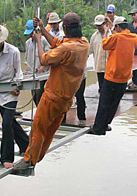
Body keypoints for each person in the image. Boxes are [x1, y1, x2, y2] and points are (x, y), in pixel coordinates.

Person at [12, 12, 89, 169]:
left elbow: (44, 59)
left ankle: (28, 160)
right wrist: (42, 27)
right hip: (67, 99)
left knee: (38, 127)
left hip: (53, 95)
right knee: (50, 129)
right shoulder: (83, 43)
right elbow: (57, 42)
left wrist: (39, 40)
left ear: (65, 29)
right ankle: (36, 157)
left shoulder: (66, 49)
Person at [0, 24, 29, 168]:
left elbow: (18, 72)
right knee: (10, 122)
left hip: (10, 92)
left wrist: (16, 86)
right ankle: (27, 145)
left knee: (6, 123)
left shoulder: (13, 51)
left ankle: (6, 157)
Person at [90, 16, 137, 135]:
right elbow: (119, 38)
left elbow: (105, 45)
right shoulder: (134, 37)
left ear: (118, 27)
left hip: (112, 76)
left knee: (104, 102)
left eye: (115, 28)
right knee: (114, 104)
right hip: (124, 78)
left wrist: (106, 32)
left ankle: (98, 128)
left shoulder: (115, 37)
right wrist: (112, 25)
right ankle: (105, 124)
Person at [24, 19, 50, 105]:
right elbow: (27, 59)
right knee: (34, 96)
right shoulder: (28, 43)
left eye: (32, 33)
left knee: (41, 96)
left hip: (42, 75)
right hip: (32, 75)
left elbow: (48, 58)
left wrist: (41, 69)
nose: (31, 35)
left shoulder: (44, 41)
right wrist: (26, 71)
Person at [89, 14, 112, 92]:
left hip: (109, 66)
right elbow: (90, 50)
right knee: (102, 87)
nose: (98, 27)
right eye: (97, 25)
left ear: (104, 24)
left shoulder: (110, 35)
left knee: (109, 88)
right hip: (99, 66)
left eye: (100, 25)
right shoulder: (94, 36)